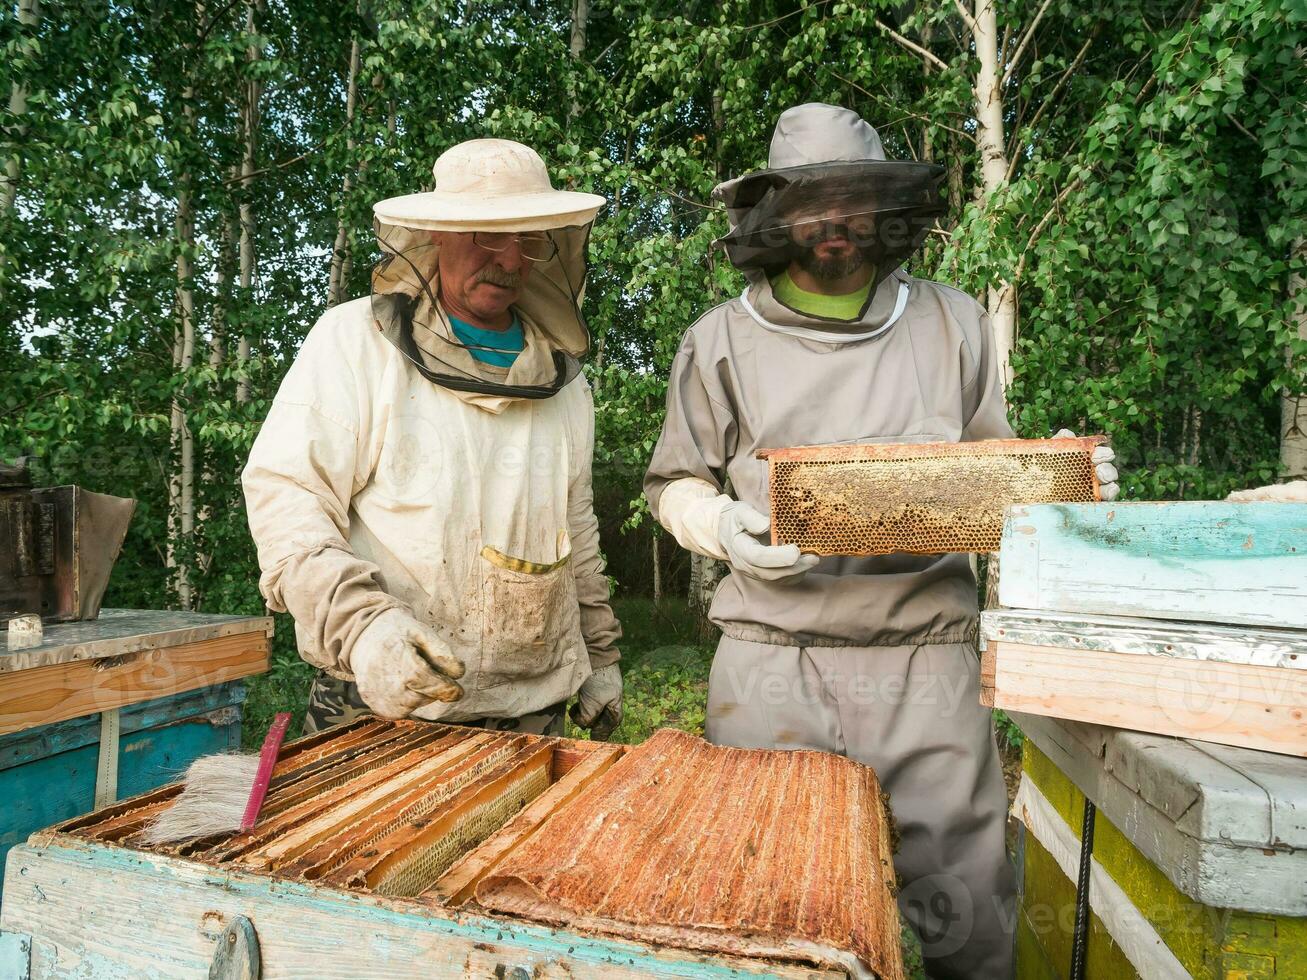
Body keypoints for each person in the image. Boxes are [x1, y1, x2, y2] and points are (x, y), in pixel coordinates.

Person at [644, 103, 1118, 979]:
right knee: (769, 901)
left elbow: (991, 465)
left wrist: (1055, 479)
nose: (835, 225)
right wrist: (717, 525)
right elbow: (671, 481)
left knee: (962, 907)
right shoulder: (717, 339)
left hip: (925, 651)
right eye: (812, 205)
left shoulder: (952, 321)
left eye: (855, 202)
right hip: (771, 655)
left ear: (886, 209)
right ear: (773, 216)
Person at [243, 138, 622, 739]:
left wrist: (601, 656)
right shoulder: (356, 342)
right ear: (435, 236)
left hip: (531, 701)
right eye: (485, 237)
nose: (508, 260)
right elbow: (288, 495)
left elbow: (574, 530)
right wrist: (361, 625)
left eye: (527, 240)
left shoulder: (563, 380)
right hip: (387, 694)